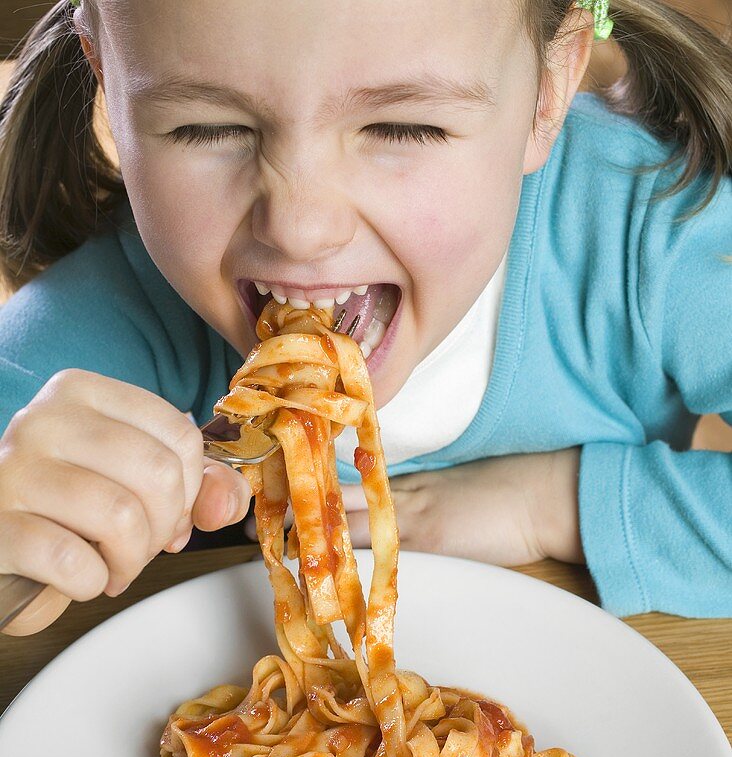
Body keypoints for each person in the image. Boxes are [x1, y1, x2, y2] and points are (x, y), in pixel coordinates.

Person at [0, 0, 729, 636]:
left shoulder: (658, 225)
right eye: (204, 127)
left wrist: (551, 504)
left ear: (548, 92)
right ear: (105, 80)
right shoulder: (107, 316)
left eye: (403, 127)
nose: (300, 227)